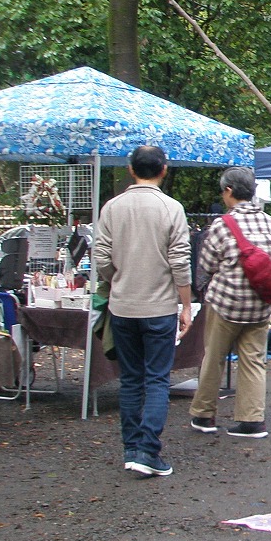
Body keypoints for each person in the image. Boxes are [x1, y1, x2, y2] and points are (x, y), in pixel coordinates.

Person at [93, 145, 193, 479]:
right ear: (164, 170)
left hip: (122, 306)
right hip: (160, 307)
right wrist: (186, 304)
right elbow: (180, 261)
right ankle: (149, 451)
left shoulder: (111, 208)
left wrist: (118, 279)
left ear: (131, 169)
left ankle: (131, 449)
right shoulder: (172, 208)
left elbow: (101, 257)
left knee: (131, 379)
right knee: (157, 379)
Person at [188, 166, 271, 440]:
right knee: (254, 360)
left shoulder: (222, 225)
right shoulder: (269, 221)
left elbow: (207, 265)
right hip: (259, 304)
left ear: (229, 191)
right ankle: (252, 420)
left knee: (214, 357)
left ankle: (204, 414)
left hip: (226, 303)